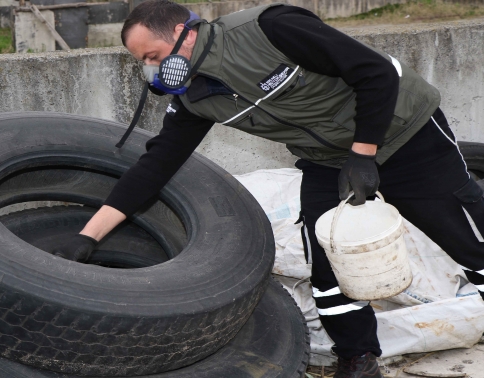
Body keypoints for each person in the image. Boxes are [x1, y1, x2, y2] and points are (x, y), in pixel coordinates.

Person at [51, 1, 484, 377]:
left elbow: (374, 72)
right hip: (326, 158)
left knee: (466, 241)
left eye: (153, 55)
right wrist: (87, 237)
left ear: (185, 35)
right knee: (328, 262)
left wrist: (364, 154)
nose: (151, 68)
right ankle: (358, 359)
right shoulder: (195, 97)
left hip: (406, 132)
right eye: (142, 62)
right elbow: (154, 166)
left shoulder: (268, 29)